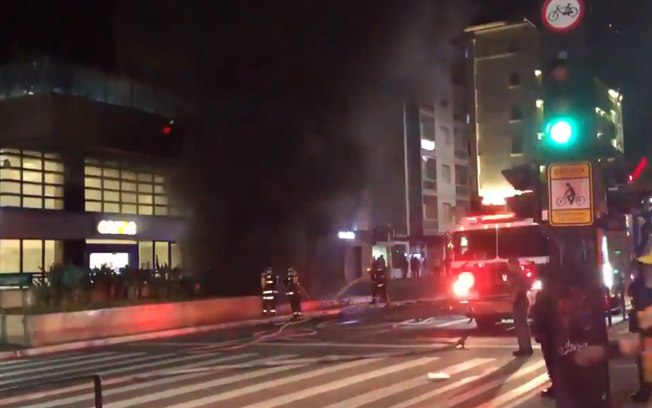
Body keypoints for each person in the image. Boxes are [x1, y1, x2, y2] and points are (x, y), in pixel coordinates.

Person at [627, 255, 652, 403]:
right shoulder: (640, 284)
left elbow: (631, 292)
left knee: (645, 359)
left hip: (647, 327)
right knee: (644, 359)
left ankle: (646, 389)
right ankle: (645, 388)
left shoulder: (640, 284)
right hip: (645, 327)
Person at [508, 257, 533, 357]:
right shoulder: (522, 273)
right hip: (523, 300)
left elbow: (518, 287)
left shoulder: (517, 275)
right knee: (523, 325)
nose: (508, 267)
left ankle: (525, 349)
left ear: (514, 265)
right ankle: (526, 348)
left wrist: (512, 298)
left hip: (520, 301)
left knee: (520, 326)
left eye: (509, 265)